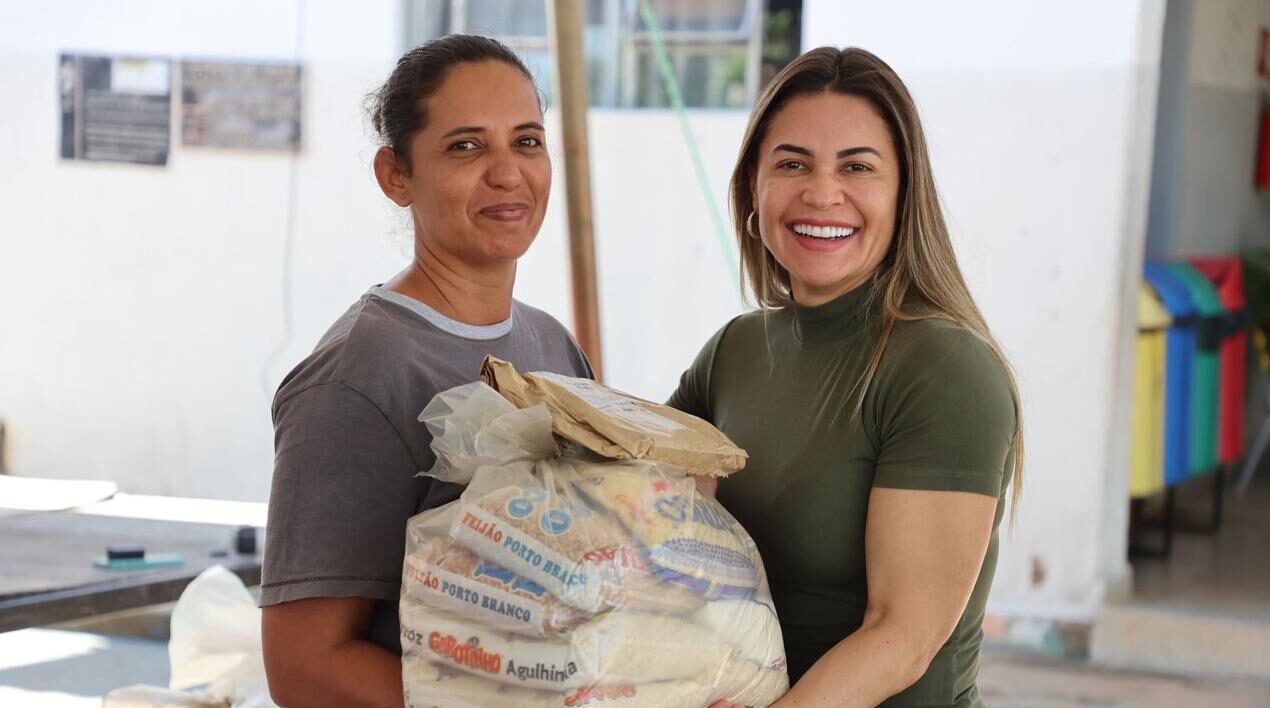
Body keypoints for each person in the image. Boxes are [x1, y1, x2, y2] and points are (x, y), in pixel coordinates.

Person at [674, 47, 1023, 708]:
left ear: (903, 193)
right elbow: (640, 517)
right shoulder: (735, 351)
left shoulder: (946, 369)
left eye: (857, 167)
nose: (822, 193)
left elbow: (903, 637)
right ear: (755, 184)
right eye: (793, 163)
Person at [259, 35, 592, 707]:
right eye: (466, 146)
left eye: (526, 142)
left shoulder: (549, 342)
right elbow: (302, 664)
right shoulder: (359, 376)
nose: (507, 173)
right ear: (396, 175)